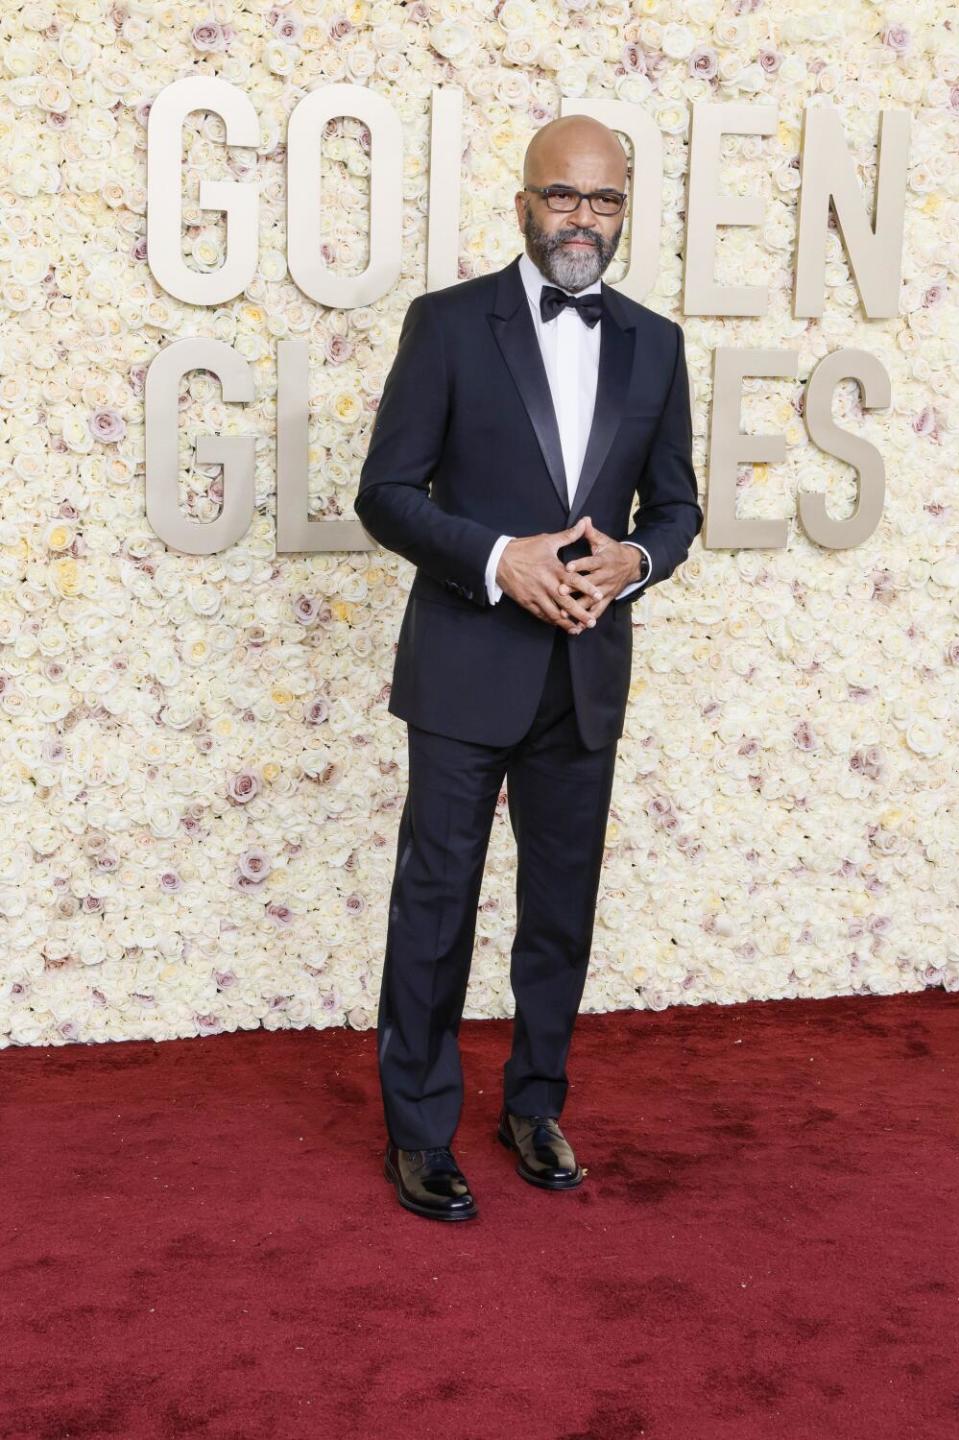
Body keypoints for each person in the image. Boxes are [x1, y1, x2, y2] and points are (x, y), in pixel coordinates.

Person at [354, 114, 703, 1222]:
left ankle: (533, 1104)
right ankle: (420, 1131)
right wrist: (501, 561)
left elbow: (679, 507)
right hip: (464, 667)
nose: (582, 221)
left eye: (603, 202)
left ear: (624, 213)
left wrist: (634, 562)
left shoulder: (656, 341)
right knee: (437, 903)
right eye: (564, 197)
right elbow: (386, 494)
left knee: (561, 908)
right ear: (523, 204)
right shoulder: (448, 324)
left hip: (583, 673)